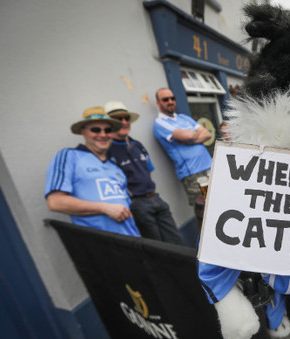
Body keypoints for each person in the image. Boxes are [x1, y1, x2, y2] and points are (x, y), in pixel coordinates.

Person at [45, 106, 140, 237]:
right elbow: (55, 202)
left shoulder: (115, 168)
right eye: (96, 130)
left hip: (132, 240)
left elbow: (126, 208)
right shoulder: (69, 156)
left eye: (107, 130)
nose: (103, 135)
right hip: (101, 244)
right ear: (83, 132)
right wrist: (104, 208)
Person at [105, 100, 184, 245]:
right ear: (110, 124)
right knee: (157, 249)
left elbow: (148, 170)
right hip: (137, 204)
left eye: (126, 118)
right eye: (118, 119)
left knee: (177, 243)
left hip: (155, 197)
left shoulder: (137, 145)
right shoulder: (108, 151)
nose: (124, 122)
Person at [153, 88, 212, 224]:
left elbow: (207, 134)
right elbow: (189, 135)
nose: (170, 101)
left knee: (217, 203)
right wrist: (192, 135)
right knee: (203, 213)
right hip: (192, 172)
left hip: (209, 165)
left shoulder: (184, 118)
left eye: (172, 98)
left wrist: (190, 138)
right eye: (165, 99)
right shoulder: (160, 123)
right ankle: (202, 243)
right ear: (158, 103)